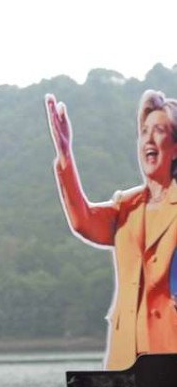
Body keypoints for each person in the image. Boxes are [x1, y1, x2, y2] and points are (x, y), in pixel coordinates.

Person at [47, 90, 177, 369]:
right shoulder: (126, 206)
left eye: (159, 131)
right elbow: (84, 221)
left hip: (169, 353)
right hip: (125, 358)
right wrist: (65, 154)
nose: (148, 139)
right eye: (144, 132)